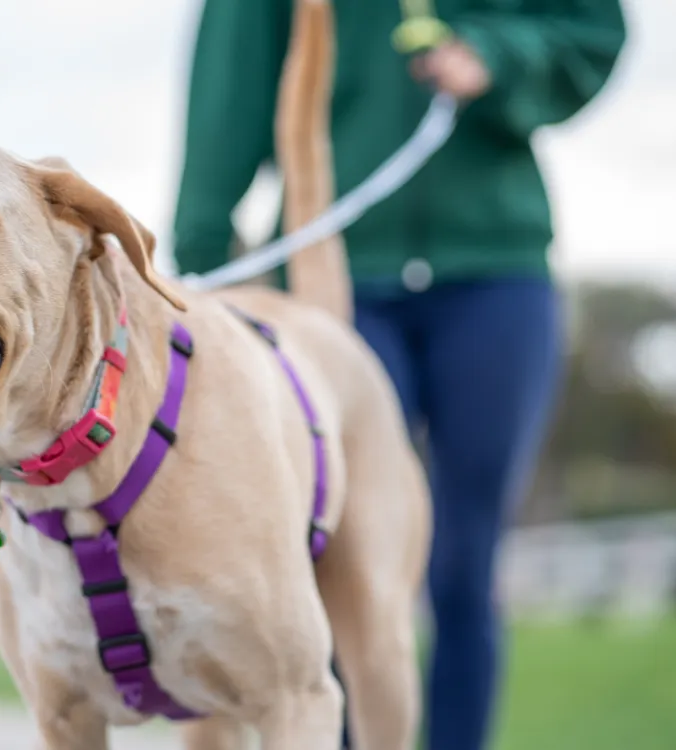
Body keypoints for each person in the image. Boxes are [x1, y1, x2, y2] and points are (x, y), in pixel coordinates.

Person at [171, 1, 626, 748]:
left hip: (494, 274)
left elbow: (592, 31)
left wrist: (499, 53)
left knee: (464, 564)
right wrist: (201, 267)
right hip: (327, 269)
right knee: (337, 560)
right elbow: (226, 95)